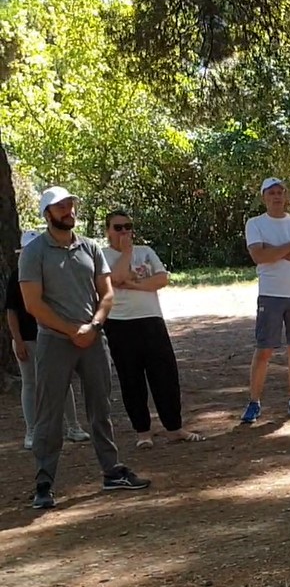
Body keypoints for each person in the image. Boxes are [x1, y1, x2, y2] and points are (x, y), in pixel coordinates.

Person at [20, 186, 150, 510]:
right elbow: (32, 304)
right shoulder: (34, 252)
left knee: (101, 407)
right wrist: (70, 330)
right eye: (61, 206)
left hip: (92, 339)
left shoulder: (90, 247)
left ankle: (111, 471)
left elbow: (106, 294)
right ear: (47, 214)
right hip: (53, 341)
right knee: (49, 414)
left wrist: (93, 327)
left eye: (70, 204)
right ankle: (44, 481)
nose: (68, 210)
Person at [102, 211, 205, 447]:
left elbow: (161, 279)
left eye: (128, 227)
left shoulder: (146, 252)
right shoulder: (103, 256)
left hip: (151, 320)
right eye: (118, 228)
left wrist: (131, 283)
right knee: (131, 378)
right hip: (119, 323)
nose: (124, 232)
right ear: (108, 231)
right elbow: (115, 278)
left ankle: (174, 428)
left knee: (165, 374)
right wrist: (126, 254)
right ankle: (143, 433)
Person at [7, 230, 91, 449]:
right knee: (31, 383)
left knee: (64, 382)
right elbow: (12, 311)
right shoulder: (16, 276)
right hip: (28, 339)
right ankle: (32, 431)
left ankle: (73, 427)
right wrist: (18, 340)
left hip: (55, 336)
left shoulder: (55, 272)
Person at [241, 177, 290, 423]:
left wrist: (277, 251)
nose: (276, 196)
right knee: (265, 349)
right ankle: (254, 402)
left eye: (280, 192)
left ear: (286, 196)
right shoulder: (255, 223)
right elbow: (259, 256)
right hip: (271, 294)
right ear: (264, 197)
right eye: (271, 192)